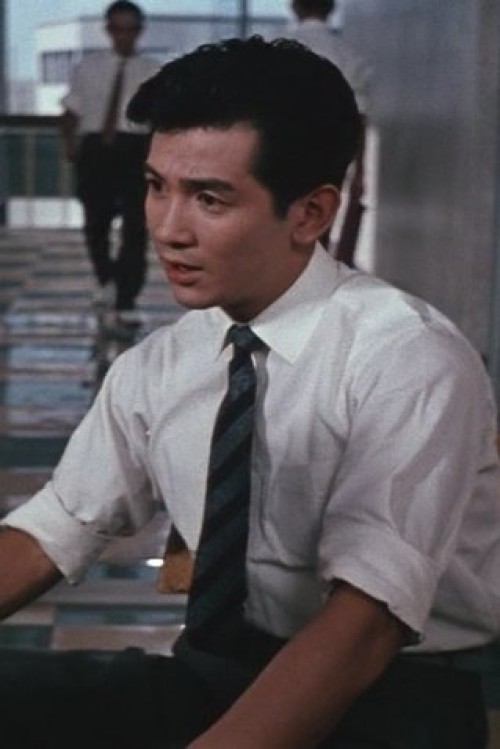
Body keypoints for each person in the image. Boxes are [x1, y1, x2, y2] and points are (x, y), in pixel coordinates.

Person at [0, 35, 499, 749]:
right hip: (217, 671)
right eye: (157, 186)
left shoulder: (407, 358)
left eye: (209, 198)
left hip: (394, 691)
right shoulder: (163, 362)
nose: (168, 228)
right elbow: (52, 529)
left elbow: (365, 623)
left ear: (310, 214)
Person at [60, 0, 160, 324]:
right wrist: (70, 146)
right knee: (96, 223)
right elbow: (71, 111)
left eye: (130, 29)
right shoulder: (88, 67)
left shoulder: (152, 70)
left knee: (135, 226)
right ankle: (106, 277)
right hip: (96, 150)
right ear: (108, 30)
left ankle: (126, 294)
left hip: (135, 149)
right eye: (118, 29)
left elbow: (161, 117)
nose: (124, 36)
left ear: (140, 31)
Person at [284, 0, 372, 265]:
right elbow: (360, 117)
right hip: (331, 152)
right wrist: (361, 169)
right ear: (331, 9)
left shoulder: (275, 50)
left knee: (283, 221)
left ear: (294, 7)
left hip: (284, 149)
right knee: (319, 221)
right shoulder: (349, 57)